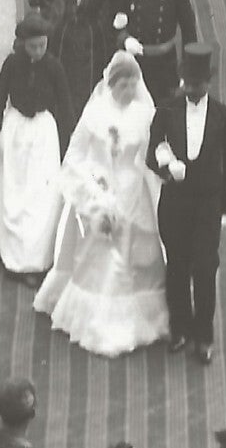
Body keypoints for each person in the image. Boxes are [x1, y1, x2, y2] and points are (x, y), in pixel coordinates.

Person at [35, 50, 169, 356]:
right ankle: (95, 320)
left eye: (133, 85)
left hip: (133, 191)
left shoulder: (143, 115)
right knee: (100, 257)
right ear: (111, 85)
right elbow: (76, 155)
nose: (129, 92)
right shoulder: (94, 114)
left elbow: (152, 152)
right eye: (123, 86)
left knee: (133, 256)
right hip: (100, 191)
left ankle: (138, 317)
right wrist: (92, 188)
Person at [146, 44, 226, 363]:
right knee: (177, 269)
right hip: (174, 204)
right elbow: (152, 152)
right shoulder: (167, 109)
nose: (192, 89)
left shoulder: (224, 116)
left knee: (203, 268)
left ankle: (204, 335)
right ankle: (180, 329)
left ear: (208, 84)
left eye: (198, 84)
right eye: (188, 83)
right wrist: (166, 167)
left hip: (207, 206)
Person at [0, 15, 73, 276]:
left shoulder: (55, 67)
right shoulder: (12, 64)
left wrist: (69, 147)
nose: (38, 51)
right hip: (15, 130)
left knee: (37, 194)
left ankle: (32, 256)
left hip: (42, 133)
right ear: (23, 44)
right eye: (33, 46)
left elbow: (65, 108)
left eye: (42, 46)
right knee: (8, 187)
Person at [114, 0, 198, 106]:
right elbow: (116, 24)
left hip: (165, 66)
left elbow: (190, 34)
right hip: (136, 63)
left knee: (165, 111)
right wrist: (125, 39)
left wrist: (187, 72)